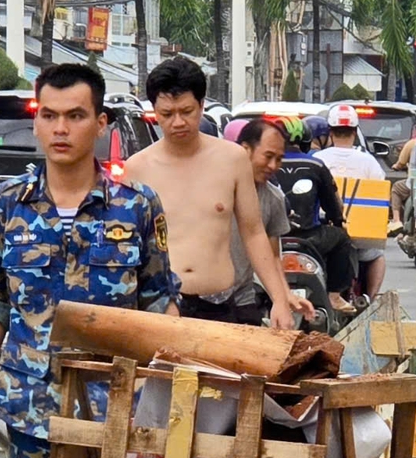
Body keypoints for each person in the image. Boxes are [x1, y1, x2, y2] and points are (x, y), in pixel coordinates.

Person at [0, 63, 177, 458]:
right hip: (30, 406)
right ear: (36, 123)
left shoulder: (136, 206)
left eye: (75, 116)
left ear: (100, 124)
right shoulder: (6, 206)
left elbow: (160, 304)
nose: (61, 129)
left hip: (117, 406)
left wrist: (166, 398)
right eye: (49, 115)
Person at [119, 56, 291, 328]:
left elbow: (254, 232)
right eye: (167, 114)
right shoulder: (137, 168)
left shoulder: (232, 159)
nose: (178, 122)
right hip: (161, 307)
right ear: (155, 112)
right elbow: (127, 246)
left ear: (201, 105)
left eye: (186, 111)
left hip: (219, 304)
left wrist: (279, 299)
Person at [233, 118, 314, 323]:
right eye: (268, 156)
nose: (273, 166)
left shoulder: (273, 198)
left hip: (241, 300)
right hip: (199, 301)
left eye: (278, 159)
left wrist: (284, 297)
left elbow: (273, 256)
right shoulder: (214, 187)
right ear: (245, 150)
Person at [314, 102, 391, 299]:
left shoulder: (318, 159)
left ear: (331, 132)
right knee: (377, 256)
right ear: (355, 132)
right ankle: (370, 299)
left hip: (324, 229)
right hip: (359, 233)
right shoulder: (368, 161)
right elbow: (380, 193)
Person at [278, 137, 358, 311]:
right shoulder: (316, 165)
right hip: (309, 237)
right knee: (342, 238)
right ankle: (334, 296)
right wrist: (337, 220)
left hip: (270, 237)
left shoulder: (260, 165)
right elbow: (332, 205)